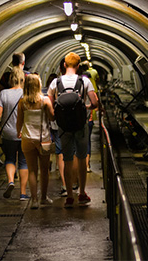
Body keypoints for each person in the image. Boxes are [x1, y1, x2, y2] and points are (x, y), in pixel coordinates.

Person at [48, 52, 100, 207]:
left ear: (64, 65)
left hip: (63, 127)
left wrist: (54, 118)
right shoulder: (85, 82)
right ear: (78, 66)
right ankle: (82, 193)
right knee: (82, 158)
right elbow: (95, 103)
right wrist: (85, 107)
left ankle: (69, 195)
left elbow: (50, 105)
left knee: (67, 159)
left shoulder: (55, 83)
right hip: (80, 125)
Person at [0, 67, 28, 200]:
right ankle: (23, 193)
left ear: (11, 80)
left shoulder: (3, 94)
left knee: (10, 159)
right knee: (23, 162)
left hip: (8, 133)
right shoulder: (26, 94)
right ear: (23, 79)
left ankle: (11, 181)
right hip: (24, 134)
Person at [17, 73, 54, 209]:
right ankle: (43, 198)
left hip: (27, 138)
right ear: (38, 85)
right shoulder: (45, 101)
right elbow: (52, 118)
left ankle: (34, 200)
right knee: (44, 170)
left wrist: (18, 133)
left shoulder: (22, 102)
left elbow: (19, 121)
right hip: (43, 139)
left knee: (32, 170)